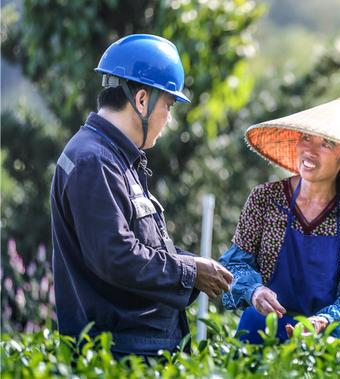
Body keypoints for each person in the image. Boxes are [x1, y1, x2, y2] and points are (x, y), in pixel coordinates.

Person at [50, 34, 233, 356]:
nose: (169, 119)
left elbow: (141, 247)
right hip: (120, 352)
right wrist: (190, 273)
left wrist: (192, 263)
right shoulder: (95, 160)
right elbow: (116, 256)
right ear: (142, 100)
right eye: (169, 105)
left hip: (138, 346)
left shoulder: (114, 157)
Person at [220, 96, 340, 343]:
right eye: (306, 138)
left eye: (326, 144)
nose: (310, 150)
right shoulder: (265, 199)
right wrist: (254, 291)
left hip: (321, 343)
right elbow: (233, 267)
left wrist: (323, 322)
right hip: (259, 332)